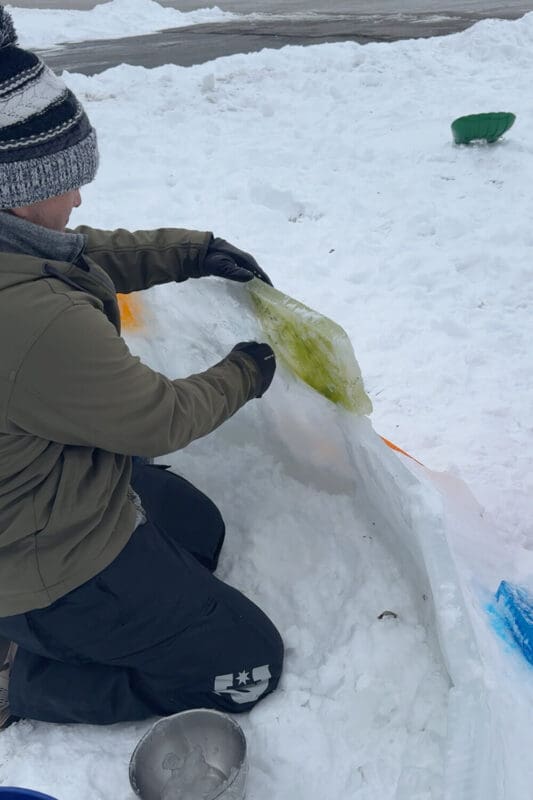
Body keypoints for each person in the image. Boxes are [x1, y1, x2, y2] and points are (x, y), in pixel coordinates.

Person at [0, 7, 283, 729]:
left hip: (37, 494)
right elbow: (156, 419)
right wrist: (247, 370)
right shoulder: (35, 321)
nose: (81, 198)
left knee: (200, 534)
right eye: (68, 181)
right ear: (19, 190)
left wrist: (191, 248)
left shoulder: (17, 253)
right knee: (245, 666)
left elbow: (80, 251)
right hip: (40, 561)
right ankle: (24, 684)